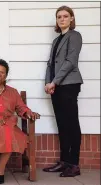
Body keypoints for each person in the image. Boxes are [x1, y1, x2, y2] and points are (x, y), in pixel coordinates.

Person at [43, 6, 83, 177]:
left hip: (69, 85)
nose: (62, 19)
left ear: (72, 19)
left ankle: (74, 164)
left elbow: (70, 61)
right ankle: (64, 161)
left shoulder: (75, 36)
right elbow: (50, 64)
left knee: (72, 124)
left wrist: (54, 82)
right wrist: (47, 82)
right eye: (59, 16)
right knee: (62, 124)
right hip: (56, 86)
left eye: (66, 16)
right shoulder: (56, 40)